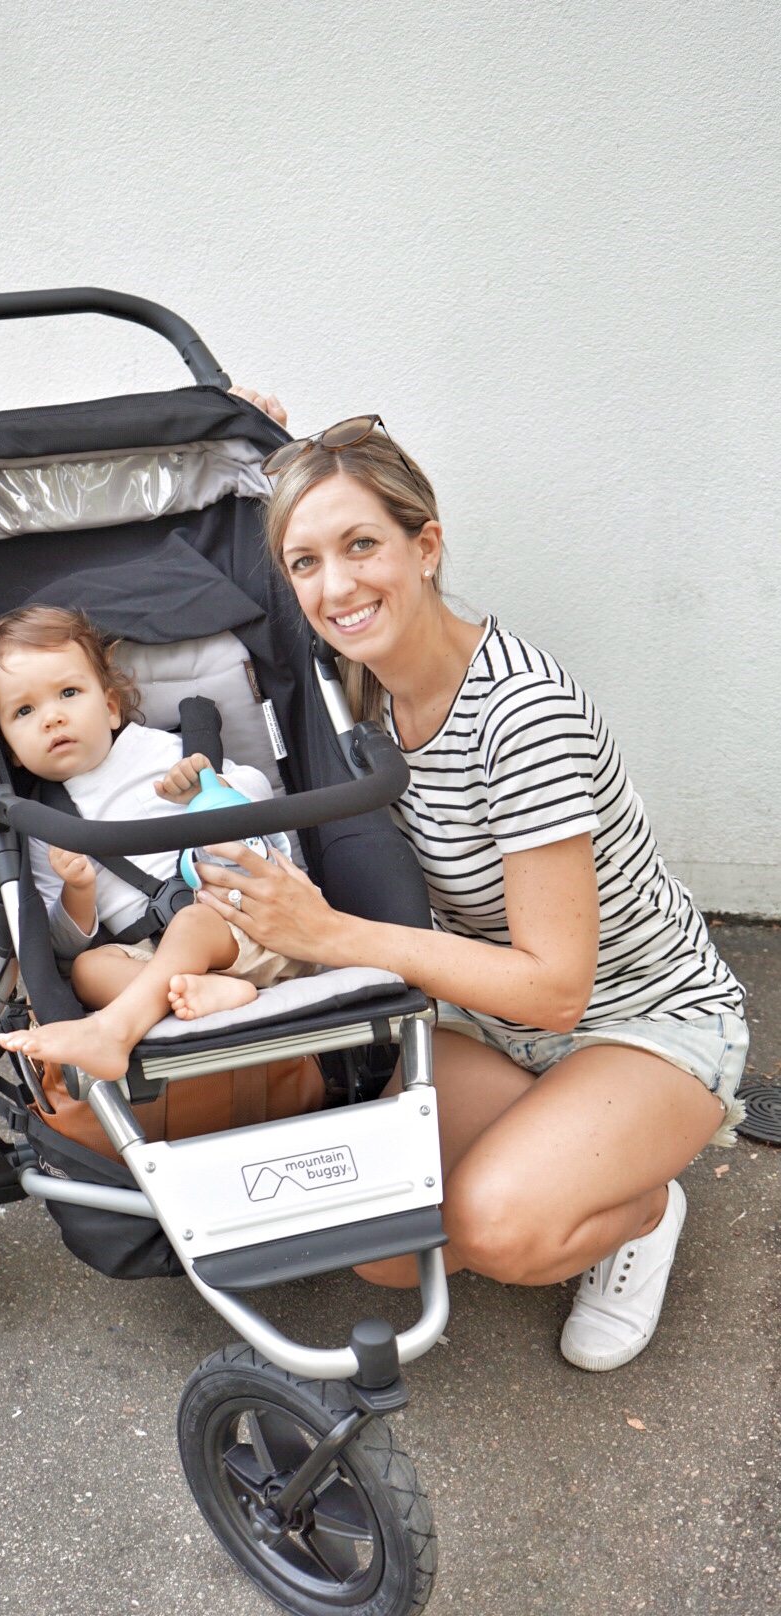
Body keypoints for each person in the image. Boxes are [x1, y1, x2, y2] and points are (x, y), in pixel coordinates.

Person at [190, 396, 747, 1373]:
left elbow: (558, 988)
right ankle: (566, 1148)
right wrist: (237, 424)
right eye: (306, 563)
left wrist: (331, 935)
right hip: (488, 1018)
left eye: (363, 545)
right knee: (380, 1250)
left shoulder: (519, 716)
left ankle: (644, 1210)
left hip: (634, 1016)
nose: (337, 585)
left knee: (495, 1227)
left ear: (427, 545)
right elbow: (284, 515)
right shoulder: (353, 685)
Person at [0, 605, 317, 1083]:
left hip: (250, 922)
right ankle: (212, 991)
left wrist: (211, 788)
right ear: (10, 747)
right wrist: (78, 892)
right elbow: (60, 943)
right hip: (156, 958)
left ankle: (116, 1031)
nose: (51, 718)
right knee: (87, 970)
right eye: (24, 711)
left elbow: (260, 793)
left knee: (193, 921)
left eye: (68, 693)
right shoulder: (41, 825)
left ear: (110, 707)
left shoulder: (162, 751)